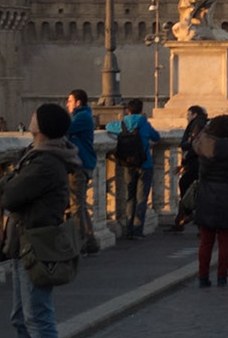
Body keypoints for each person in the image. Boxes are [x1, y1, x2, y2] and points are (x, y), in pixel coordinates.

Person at [0, 103, 77, 338]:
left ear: (41, 125)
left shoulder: (44, 163)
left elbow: (9, 195)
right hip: (24, 245)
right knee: (22, 319)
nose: (30, 117)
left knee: (38, 319)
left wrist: (6, 181)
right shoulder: (39, 157)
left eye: (35, 114)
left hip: (36, 247)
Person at [193, 115, 228, 286]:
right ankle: (222, 276)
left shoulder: (203, 145)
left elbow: (194, 142)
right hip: (227, 195)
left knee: (206, 241)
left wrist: (205, 131)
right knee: (225, 240)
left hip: (207, 194)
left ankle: (203, 276)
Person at [105, 98, 160, 239]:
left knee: (130, 197)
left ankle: (128, 228)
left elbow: (108, 127)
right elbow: (157, 137)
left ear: (128, 110)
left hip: (128, 164)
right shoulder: (145, 124)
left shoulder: (123, 124)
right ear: (141, 110)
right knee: (141, 198)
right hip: (145, 164)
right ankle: (137, 230)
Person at [64, 89, 100, 256]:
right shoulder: (84, 116)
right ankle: (90, 241)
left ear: (78, 102)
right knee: (80, 205)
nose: (67, 104)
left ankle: (81, 243)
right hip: (83, 164)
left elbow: (64, 129)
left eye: (70, 101)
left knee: (76, 206)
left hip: (79, 165)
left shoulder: (82, 117)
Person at [167, 104, 206, 232]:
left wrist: (185, 161)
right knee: (194, 190)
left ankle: (187, 215)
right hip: (201, 163)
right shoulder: (204, 123)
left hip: (196, 163)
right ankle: (181, 221)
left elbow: (193, 144)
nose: (186, 117)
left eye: (188, 114)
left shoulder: (197, 125)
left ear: (194, 114)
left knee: (188, 187)